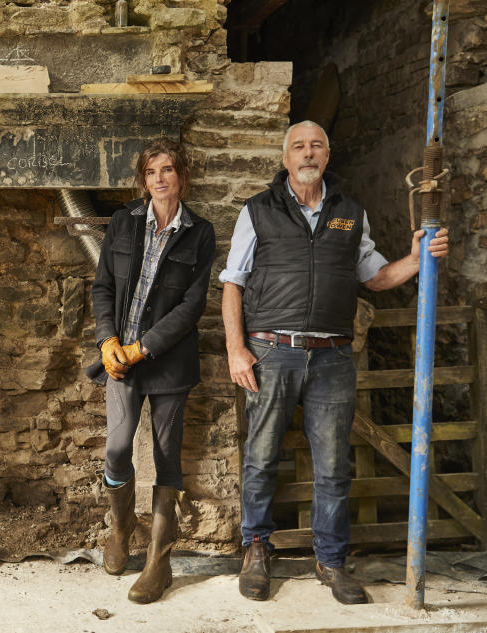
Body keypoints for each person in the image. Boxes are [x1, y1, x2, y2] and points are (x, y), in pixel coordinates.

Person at [220, 120, 450, 605]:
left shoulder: (350, 212)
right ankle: (257, 550)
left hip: (332, 356)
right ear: (285, 159)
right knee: (261, 458)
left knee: (333, 465)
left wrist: (415, 258)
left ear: (327, 156)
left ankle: (331, 560)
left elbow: (376, 276)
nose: (308, 154)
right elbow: (233, 283)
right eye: (299, 147)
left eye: (316, 146)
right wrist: (236, 349)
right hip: (270, 351)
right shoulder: (258, 211)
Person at [89, 138, 216, 604]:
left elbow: (192, 306)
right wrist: (108, 342)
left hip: (169, 363)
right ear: (143, 179)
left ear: (181, 175)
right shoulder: (123, 222)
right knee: (118, 448)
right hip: (118, 360)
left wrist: (144, 347)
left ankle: (159, 563)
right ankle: (121, 527)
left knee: (166, 457)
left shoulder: (200, 233)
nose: (159, 179)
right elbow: (102, 285)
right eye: (151, 172)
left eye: (167, 170)